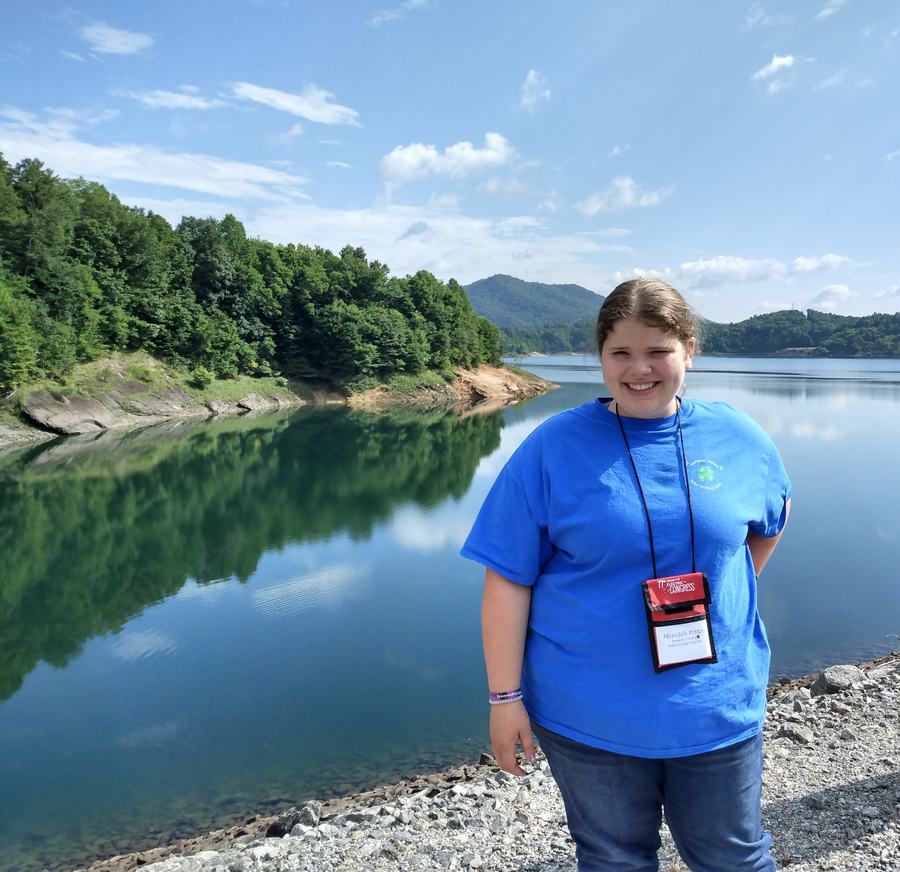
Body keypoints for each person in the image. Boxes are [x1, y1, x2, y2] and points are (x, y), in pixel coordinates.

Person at [460, 278, 792, 872]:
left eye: (658, 351)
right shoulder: (552, 447)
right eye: (621, 353)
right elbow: (508, 579)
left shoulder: (738, 437)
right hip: (589, 715)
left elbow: (772, 519)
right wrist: (504, 699)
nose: (640, 369)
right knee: (613, 859)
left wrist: (720, 593)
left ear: (690, 350)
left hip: (715, 707)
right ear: (601, 357)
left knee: (733, 858)